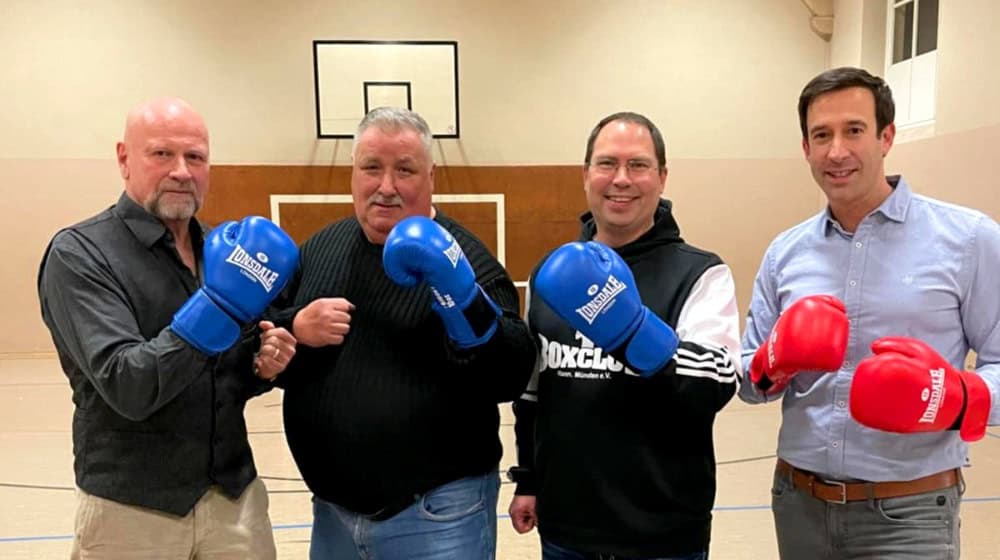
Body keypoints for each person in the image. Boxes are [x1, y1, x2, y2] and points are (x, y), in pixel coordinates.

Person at [739, 66, 1000, 559]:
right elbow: (748, 383)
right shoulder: (785, 252)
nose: (837, 151)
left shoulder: (969, 240)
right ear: (806, 149)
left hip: (911, 511)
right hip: (798, 502)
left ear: (886, 137)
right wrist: (769, 362)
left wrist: (959, 397)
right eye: (822, 135)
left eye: (854, 130)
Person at [266, 106, 537, 560]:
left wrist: (463, 300)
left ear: (430, 176)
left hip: (438, 515)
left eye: (405, 170)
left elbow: (510, 374)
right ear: (353, 174)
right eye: (372, 167)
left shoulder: (467, 258)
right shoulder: (318, 249)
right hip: (333, 515)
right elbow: (271, 354)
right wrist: (295, 326)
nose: (386, 187)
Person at [37, 97, 299, 559]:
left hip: (234, 503)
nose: (182, 170)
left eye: (195, 157)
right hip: (132, 513)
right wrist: (216, 307)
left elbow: (224, 378)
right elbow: (129, 384)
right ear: (124, 158)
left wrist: (263, 365)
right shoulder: (81, 255)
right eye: (162, 154)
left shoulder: (221, 250)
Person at [508, 111, 742, 560]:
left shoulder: (700, 273)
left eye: (637, 165)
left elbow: (718, 381)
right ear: (586, 174)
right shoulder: (550, 274)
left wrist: (632, 329)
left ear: (662, 177)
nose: (621, 179)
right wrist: (528, 481)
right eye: (606, 164)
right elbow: (533, 394)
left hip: (663, 533)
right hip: (566, 531)